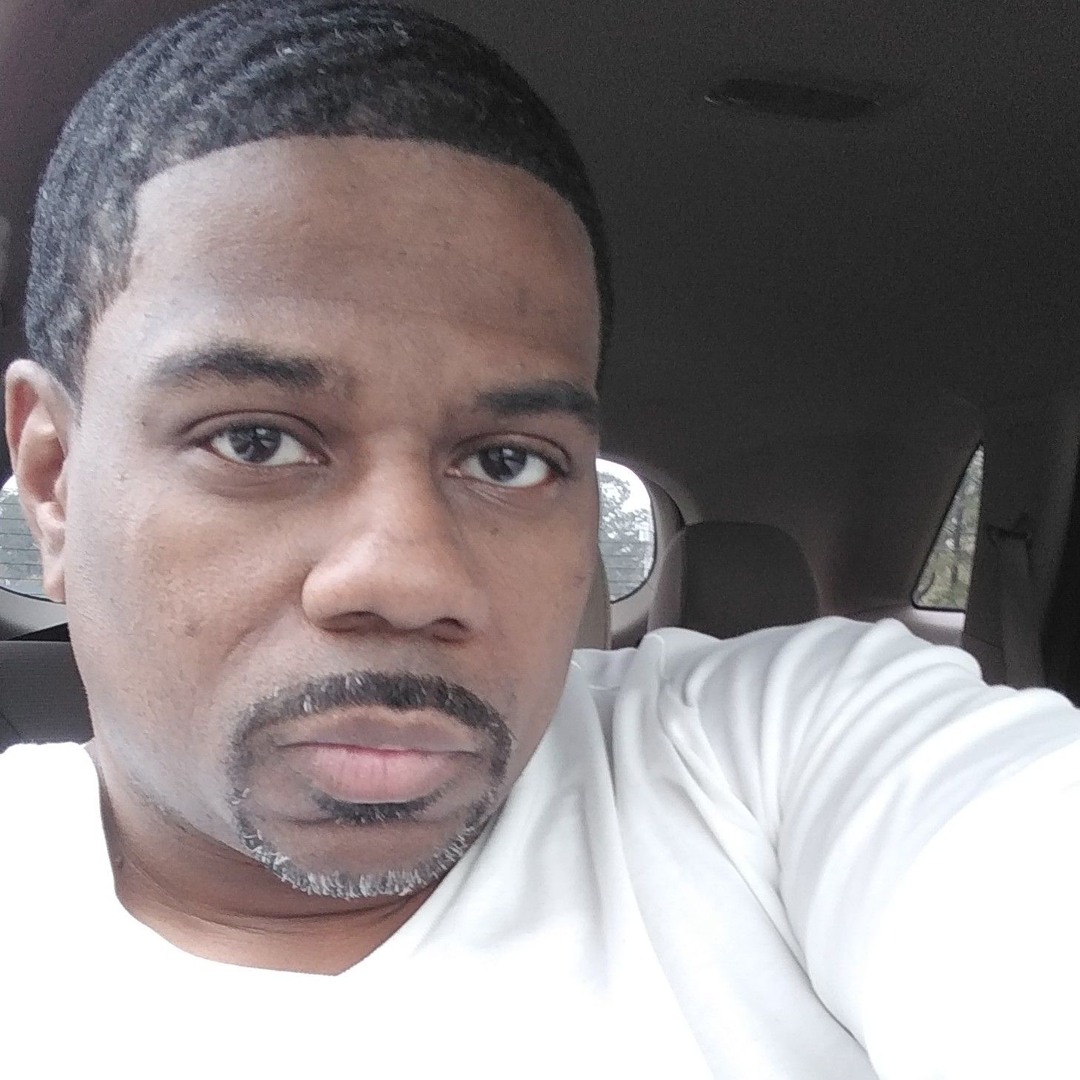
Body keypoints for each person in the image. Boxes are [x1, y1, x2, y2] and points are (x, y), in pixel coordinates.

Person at [2, 2, 1078, 1077]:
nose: (411, 577)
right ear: (52, 481)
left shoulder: (785, 756)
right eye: (255, 440)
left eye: (510, 461)